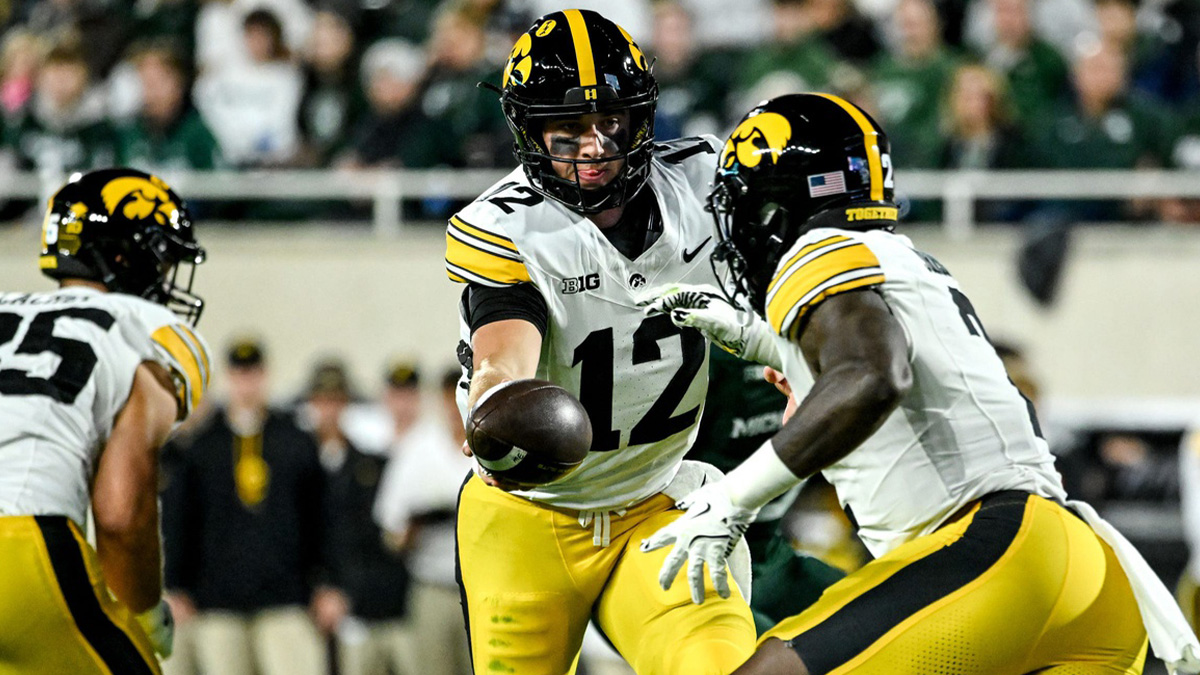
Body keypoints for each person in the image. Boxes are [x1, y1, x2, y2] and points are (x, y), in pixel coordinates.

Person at [642, 92, 1200, 674]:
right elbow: (872, 356)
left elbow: (872, 375)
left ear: (784, 202)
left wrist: (733, 499)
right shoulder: (901, 260)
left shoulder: (816, 252)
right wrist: (747, 334)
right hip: (1083, 575)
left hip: (994, 557)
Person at [446, 9, 757, 675]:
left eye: (610, 123)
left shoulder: (703, 187)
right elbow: (505, 345)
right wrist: (501, 399)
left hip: (658, 498)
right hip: (530, 521)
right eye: (568, 131)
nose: (594, 146)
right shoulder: (509, 229)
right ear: (531, 133)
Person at [0, 167, 209, 673]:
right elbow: (120, 511)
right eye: (160, 260)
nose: (163, 278)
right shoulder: (143, 329)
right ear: (123, 256)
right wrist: (141, 612)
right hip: (21, 548)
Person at [160, 338, 330, 675]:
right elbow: (181, 520)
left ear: (265, 376)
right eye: (239, 375)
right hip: (218, 599)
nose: (246, 384)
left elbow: (321, 517)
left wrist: (327, 582)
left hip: (284, 596)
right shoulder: (203, 446)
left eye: (253, 374)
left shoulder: (294, 440)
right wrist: (177, 586)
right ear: (228, 378)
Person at [304, 359, 413, 675]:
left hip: (359, 603)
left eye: (336, 401)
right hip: (303, 599)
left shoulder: (369, 466)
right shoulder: (295, 463)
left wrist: (345, 593)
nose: (329, 411)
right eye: (322, 401)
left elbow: (370, 539)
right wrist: (318, 590)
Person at [373, 367, 473, 675]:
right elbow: (390, 527)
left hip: (481, 584)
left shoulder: (494, 445)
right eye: (450, 396)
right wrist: (415, 528)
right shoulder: (417, 449)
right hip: (432, 583)